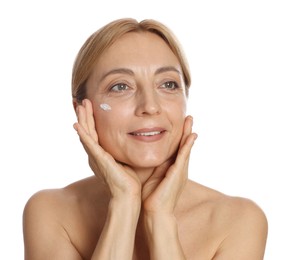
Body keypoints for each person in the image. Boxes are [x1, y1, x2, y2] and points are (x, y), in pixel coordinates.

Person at [22, 18, 268, 260]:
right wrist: (123, 204)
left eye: (168, 84)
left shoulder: (238, 221)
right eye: (120, 87)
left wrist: (160, 217)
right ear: (82, 110)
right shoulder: (50, 212)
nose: (150, 106)